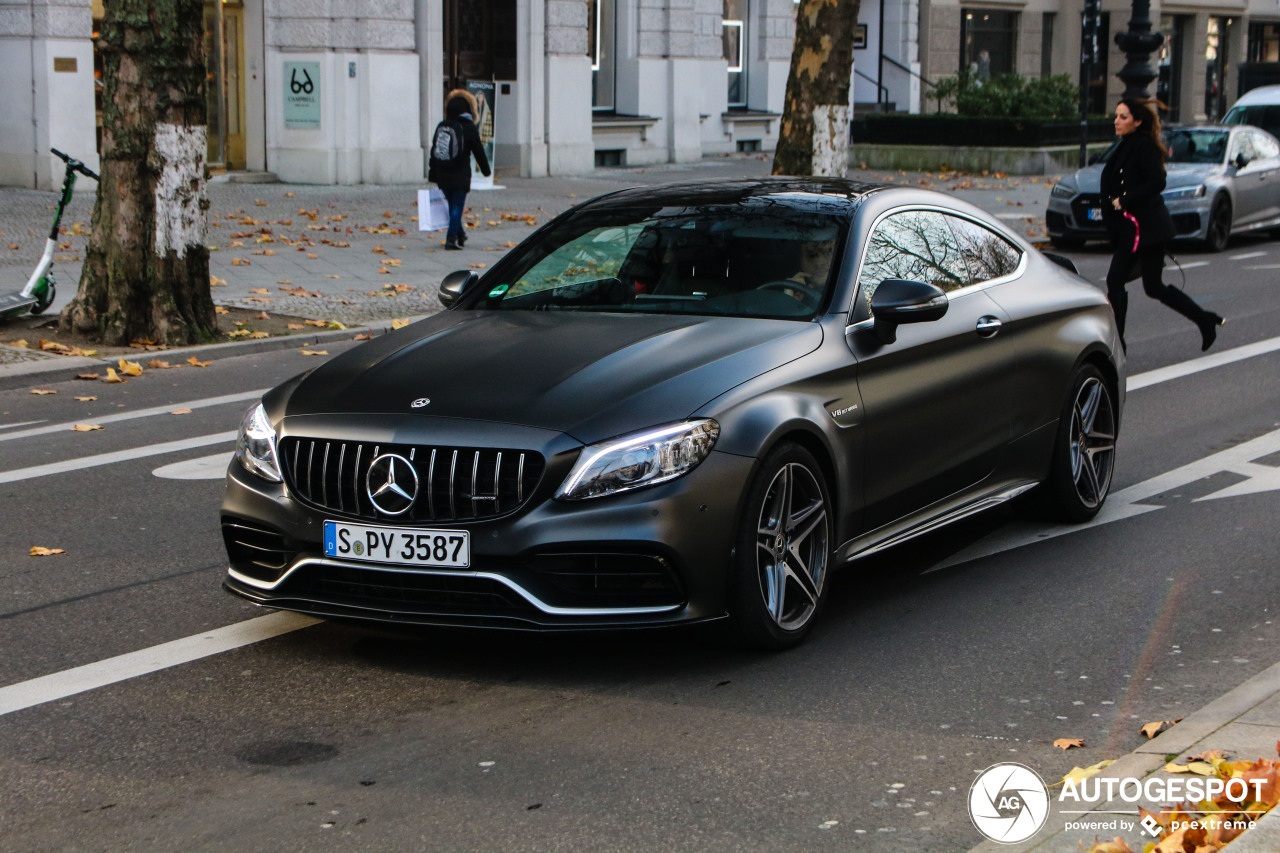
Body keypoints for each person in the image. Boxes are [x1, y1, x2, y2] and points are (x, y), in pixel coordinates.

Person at [1101, 98, 1224, 351]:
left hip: (1147, 229)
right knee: (1146, 286)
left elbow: (1157, 181)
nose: (1117, 121)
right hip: (1132, 229)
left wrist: (1125, 200)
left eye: (1123, 117)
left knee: (1123, 282)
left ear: (1137, 121)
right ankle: (1204, 319)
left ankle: (1118, 347)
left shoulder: (1143, 146)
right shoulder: (1126, 144)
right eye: (1116, 116)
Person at [429, 89, 491, 251]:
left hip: (443, 174)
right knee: (457, 207)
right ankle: (451, 238)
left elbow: (434, 152)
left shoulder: (442, 126)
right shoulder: (469, 127)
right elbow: (479, 151)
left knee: (452, 206)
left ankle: (461, 234)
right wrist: (486, 171)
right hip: (460, 174)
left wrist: (433, 174)